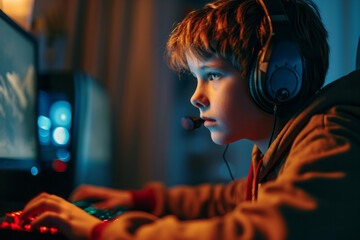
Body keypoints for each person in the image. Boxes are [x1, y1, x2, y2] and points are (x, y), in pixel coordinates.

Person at [20, 0, 360, 239]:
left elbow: (256, 232)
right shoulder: (281, 149)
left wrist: (102, 230)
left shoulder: (328, 139)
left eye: (211, 76)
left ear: (278, 78)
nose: (196, 97)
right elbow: (231, 197)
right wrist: (143, 201)